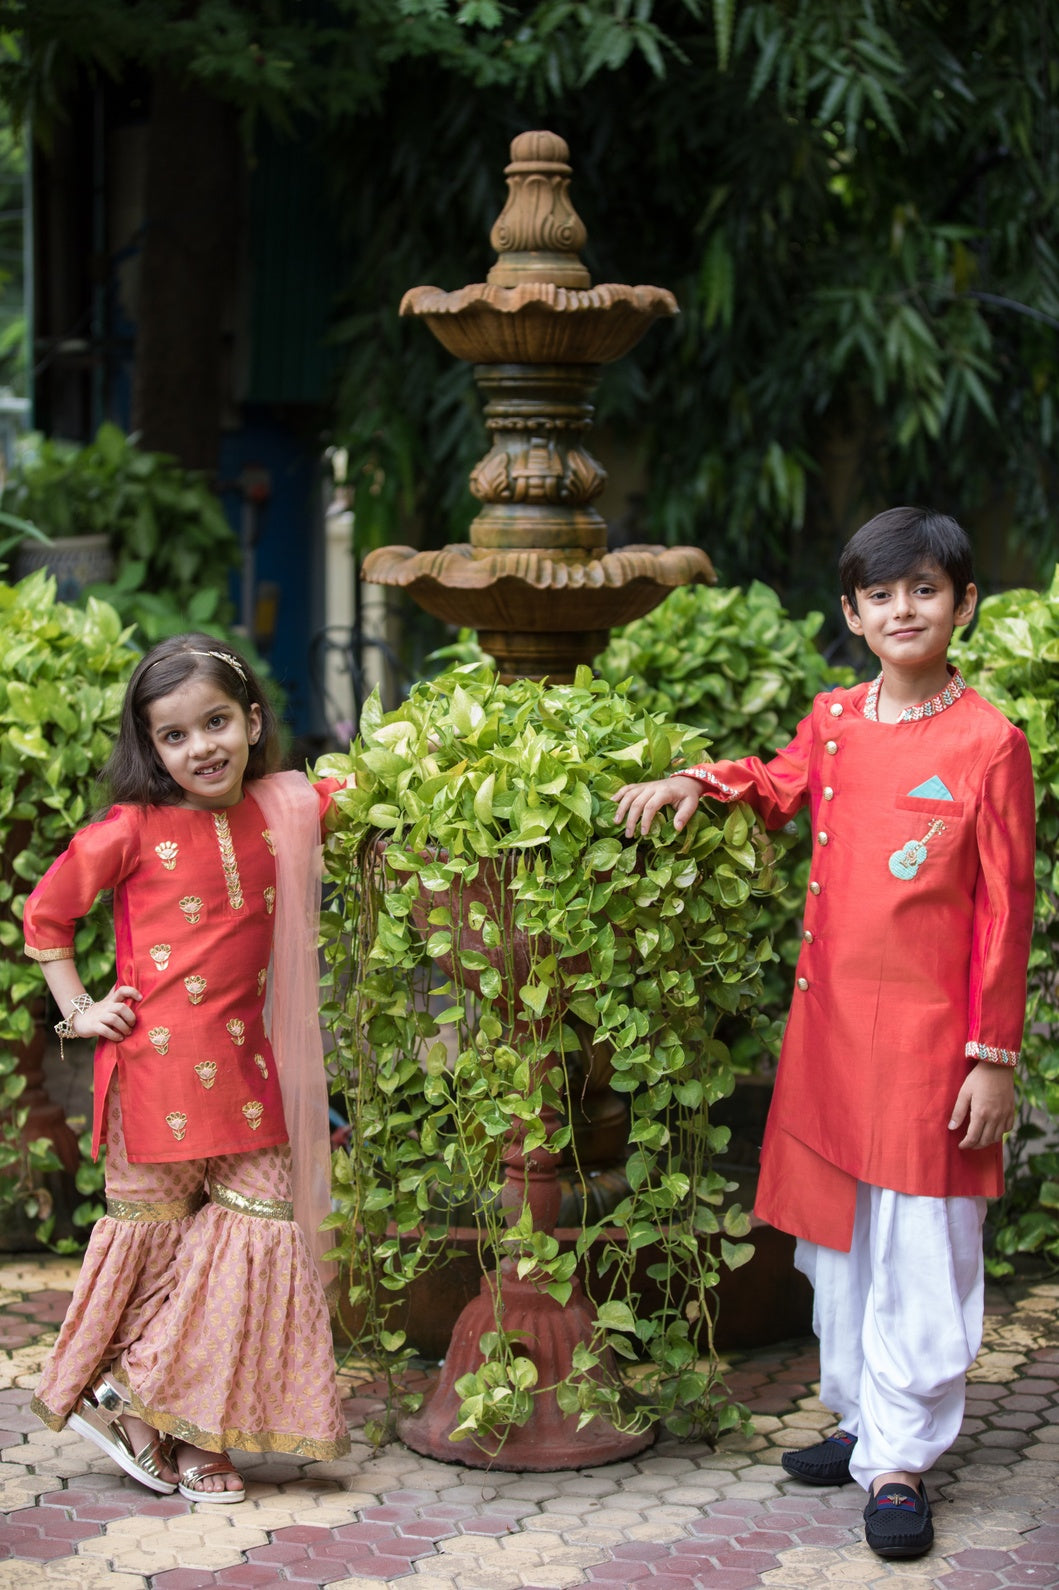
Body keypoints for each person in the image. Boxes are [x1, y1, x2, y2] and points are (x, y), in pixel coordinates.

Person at [612, 508, 1036, 1560]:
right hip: (833, 1031)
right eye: (880, 594)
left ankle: (899, 1463)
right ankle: (860, 1419)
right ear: (851, 614)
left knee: (920, 1245)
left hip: (932, 1044)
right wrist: (698, 783)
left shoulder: (989, 743)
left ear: (963, 605)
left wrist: (991, 1056)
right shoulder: (836, 719)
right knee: (841, 1243)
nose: (904, 609)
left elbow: (1005, 910)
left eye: (925, 589)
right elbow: (778, 781)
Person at [22, 634, 350, 1502]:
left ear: (252, 722)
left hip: (246, 1070)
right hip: (154, 1077)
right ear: (151, 747)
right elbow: (46, 913)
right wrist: (78, 1010)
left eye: (216, 722)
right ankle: (169, 1428)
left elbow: (381, 792)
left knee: (259, 1237)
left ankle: (154, 1405)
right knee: (160, 1246)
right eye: (174, 735)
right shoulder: (130, 828)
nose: (201, 747)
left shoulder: (288, 807)